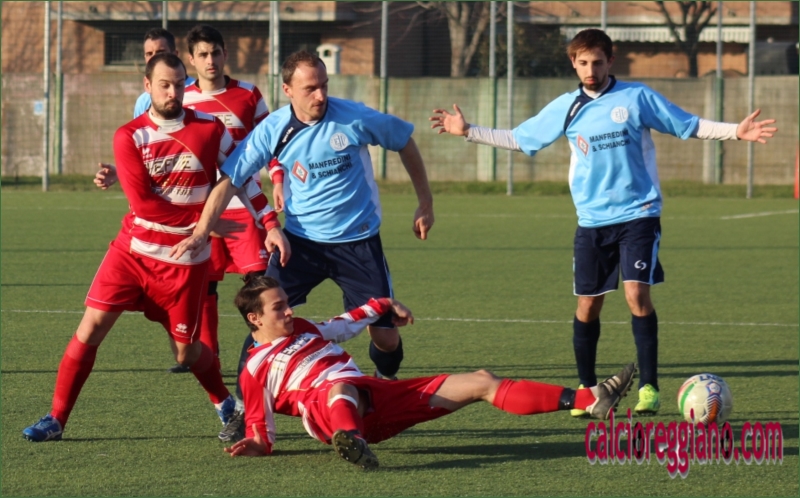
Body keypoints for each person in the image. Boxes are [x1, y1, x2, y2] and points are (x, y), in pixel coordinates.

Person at [429, 28, 778, 417]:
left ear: (610, 61)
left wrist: (736, 132)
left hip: (639, 214)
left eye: (597, 62)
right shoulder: (567, 106)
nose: (590, 70)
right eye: (583, 63)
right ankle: (586, 390)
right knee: (588, 305)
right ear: (573, 63)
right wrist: (469, 132)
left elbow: (686, 124)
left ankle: (648, 387)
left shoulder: (636, 97)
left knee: (636, 295)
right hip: (593, 221)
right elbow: (522, 139)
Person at [21, 53, 271, 442]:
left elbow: (243, 177)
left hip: (186, 261)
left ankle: (225, 403)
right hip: (133, 253)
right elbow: (144, 206)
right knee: (90, 328)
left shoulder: (210, 129)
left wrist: (269, 223)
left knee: (186, 353)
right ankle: (56, 418)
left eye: (178, 84)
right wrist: (203, 222)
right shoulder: (130, 135)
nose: (172, 93)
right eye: (164, 85)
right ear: (148, 86)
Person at [171, 51, 435, 386]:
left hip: (358, 243)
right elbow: (230, 179)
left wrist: (425, 203)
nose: (320, 95)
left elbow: (403, 141)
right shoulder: (274, 128)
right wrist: (200, 232)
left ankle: (386, 376)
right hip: (300, 245)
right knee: (263, 320)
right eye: (310, 88)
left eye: (324, 85)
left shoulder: (353, 117)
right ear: (288, 90)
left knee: (386, 338)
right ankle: (243, 404)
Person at [222, 274, 636, 468]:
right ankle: (350, 439)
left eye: (287, 303)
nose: (289, 310)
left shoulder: (305, 328)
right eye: (279, 307)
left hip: (374, 398)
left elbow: (347, 322)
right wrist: (255, 444)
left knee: (482, 381)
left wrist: (384, 304)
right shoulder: (254, 369)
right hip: (327, 410)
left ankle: (590, 399)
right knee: (339, 388)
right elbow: (261, 431)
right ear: (255, 319)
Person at [96, 25, 278, 383]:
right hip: (199, 212)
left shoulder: (247, 94)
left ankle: (264, 358)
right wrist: (120, 172)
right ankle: (208, 358)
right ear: (190, 59)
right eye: (203, 54)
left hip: (240, 206)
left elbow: (268, 144)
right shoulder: (169, 100)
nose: (210, 60)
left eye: (215, 52)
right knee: (205, 287)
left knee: (259, 284)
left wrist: (278, 185)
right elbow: (151, 155)